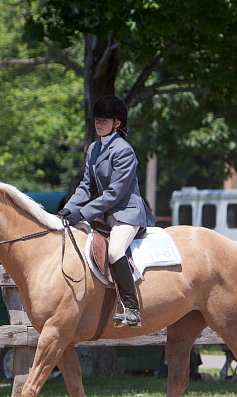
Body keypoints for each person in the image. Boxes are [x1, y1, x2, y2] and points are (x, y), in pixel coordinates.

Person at [57, 95, 156, 327]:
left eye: (104, 120)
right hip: (106, 215)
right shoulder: (93, 148)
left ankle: (132, 308)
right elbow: (85, 186)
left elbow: (114, 193)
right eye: (96, 120)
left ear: (117, 123)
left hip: (127, 213)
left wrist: (83, 213)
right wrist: (68, 208)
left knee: (114, 252)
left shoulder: (124, 151)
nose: (98, 124)